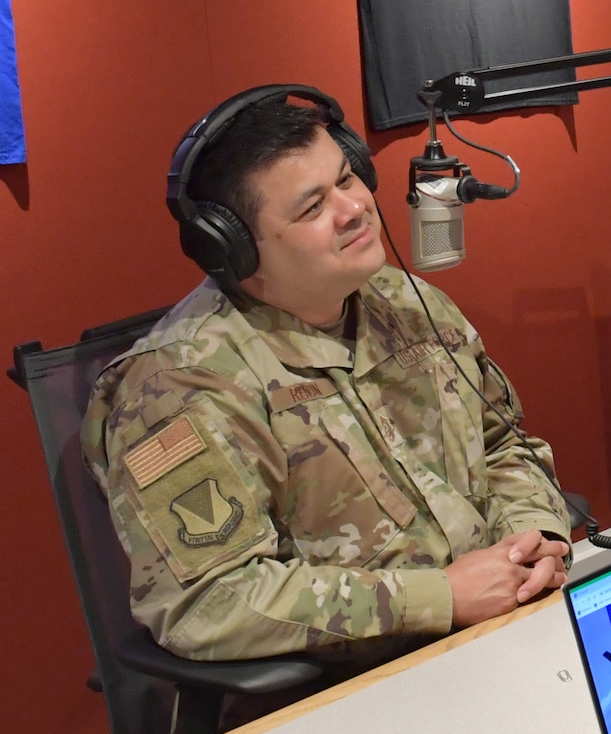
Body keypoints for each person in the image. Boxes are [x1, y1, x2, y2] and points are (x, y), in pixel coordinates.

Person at [83, 90, 573, 669]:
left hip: (501, 633)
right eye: (312, 207)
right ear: (235, 248)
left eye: (347, 179)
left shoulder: (408, 303)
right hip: (351, 687)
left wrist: (535, 535)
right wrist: (440, 598)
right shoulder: (178, 387)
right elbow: (209, 600)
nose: (354, 208)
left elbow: (501, 444)